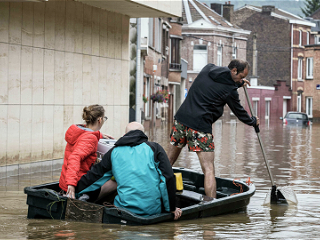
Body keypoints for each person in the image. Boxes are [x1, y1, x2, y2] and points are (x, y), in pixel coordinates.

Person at [168, 59, 259, 198]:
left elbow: (219, 82)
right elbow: (239, 112)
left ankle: (154, 191)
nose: (242, 79)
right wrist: (253, 121)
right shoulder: (230, 91)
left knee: (168, 161)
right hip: (199, 127)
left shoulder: (207, 69)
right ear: (234, 70)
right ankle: (211, 204)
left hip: (181, 120)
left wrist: (238, 83)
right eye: (241, 76)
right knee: (209, 169)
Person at [76, 122, 182, 220]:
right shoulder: (155, 148)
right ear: (143, 134)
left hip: (124, 211)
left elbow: (95, 176)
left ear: (124, 134)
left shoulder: (113, 152)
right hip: (152, 211)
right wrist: (171, 208)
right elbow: (168, 178)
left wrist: (72, 189)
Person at [59, 104, 116, 202]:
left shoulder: (78, 131)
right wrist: (71, 185)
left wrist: (100, 135)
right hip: (76, 184)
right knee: (113, 176)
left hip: (64, 182)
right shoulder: (90, 138)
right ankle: (85, 196)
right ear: (100, 120)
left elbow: (85, 136)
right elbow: (74, 158)